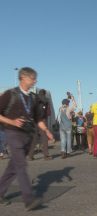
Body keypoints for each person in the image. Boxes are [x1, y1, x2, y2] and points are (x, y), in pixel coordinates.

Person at [0, 67, 54, 210]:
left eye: (35, 78)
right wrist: (12, 121)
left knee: (13, 167)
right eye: (32, 78)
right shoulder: (9, 94)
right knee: (21, 166)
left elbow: (39, 118)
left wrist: (47, 131)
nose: (35, 81)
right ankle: (29, 199)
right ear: (23, 78)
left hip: (27, 135)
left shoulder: (33, 98)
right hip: (13, 133)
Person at [28, 89, 53, 160]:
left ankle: (30, 156)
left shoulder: (34, 99)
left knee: (34, 138)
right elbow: (48, 112)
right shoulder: (45, 100)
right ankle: (46, 155)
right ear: (44, 93)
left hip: (34, 121)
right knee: (44, 138)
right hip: (42, 120)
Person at [58, 93, 77, 159]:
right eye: (68, 103)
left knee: (63, 139)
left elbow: (65, 103)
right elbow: (75, 105)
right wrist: (72, 97)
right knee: (69, 139)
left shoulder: (60, 109)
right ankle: (68, 152)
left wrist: (67, 98)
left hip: (61, 126)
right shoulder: (69, 109)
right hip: (68, 126)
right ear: (67, 103)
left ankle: (63, 152)